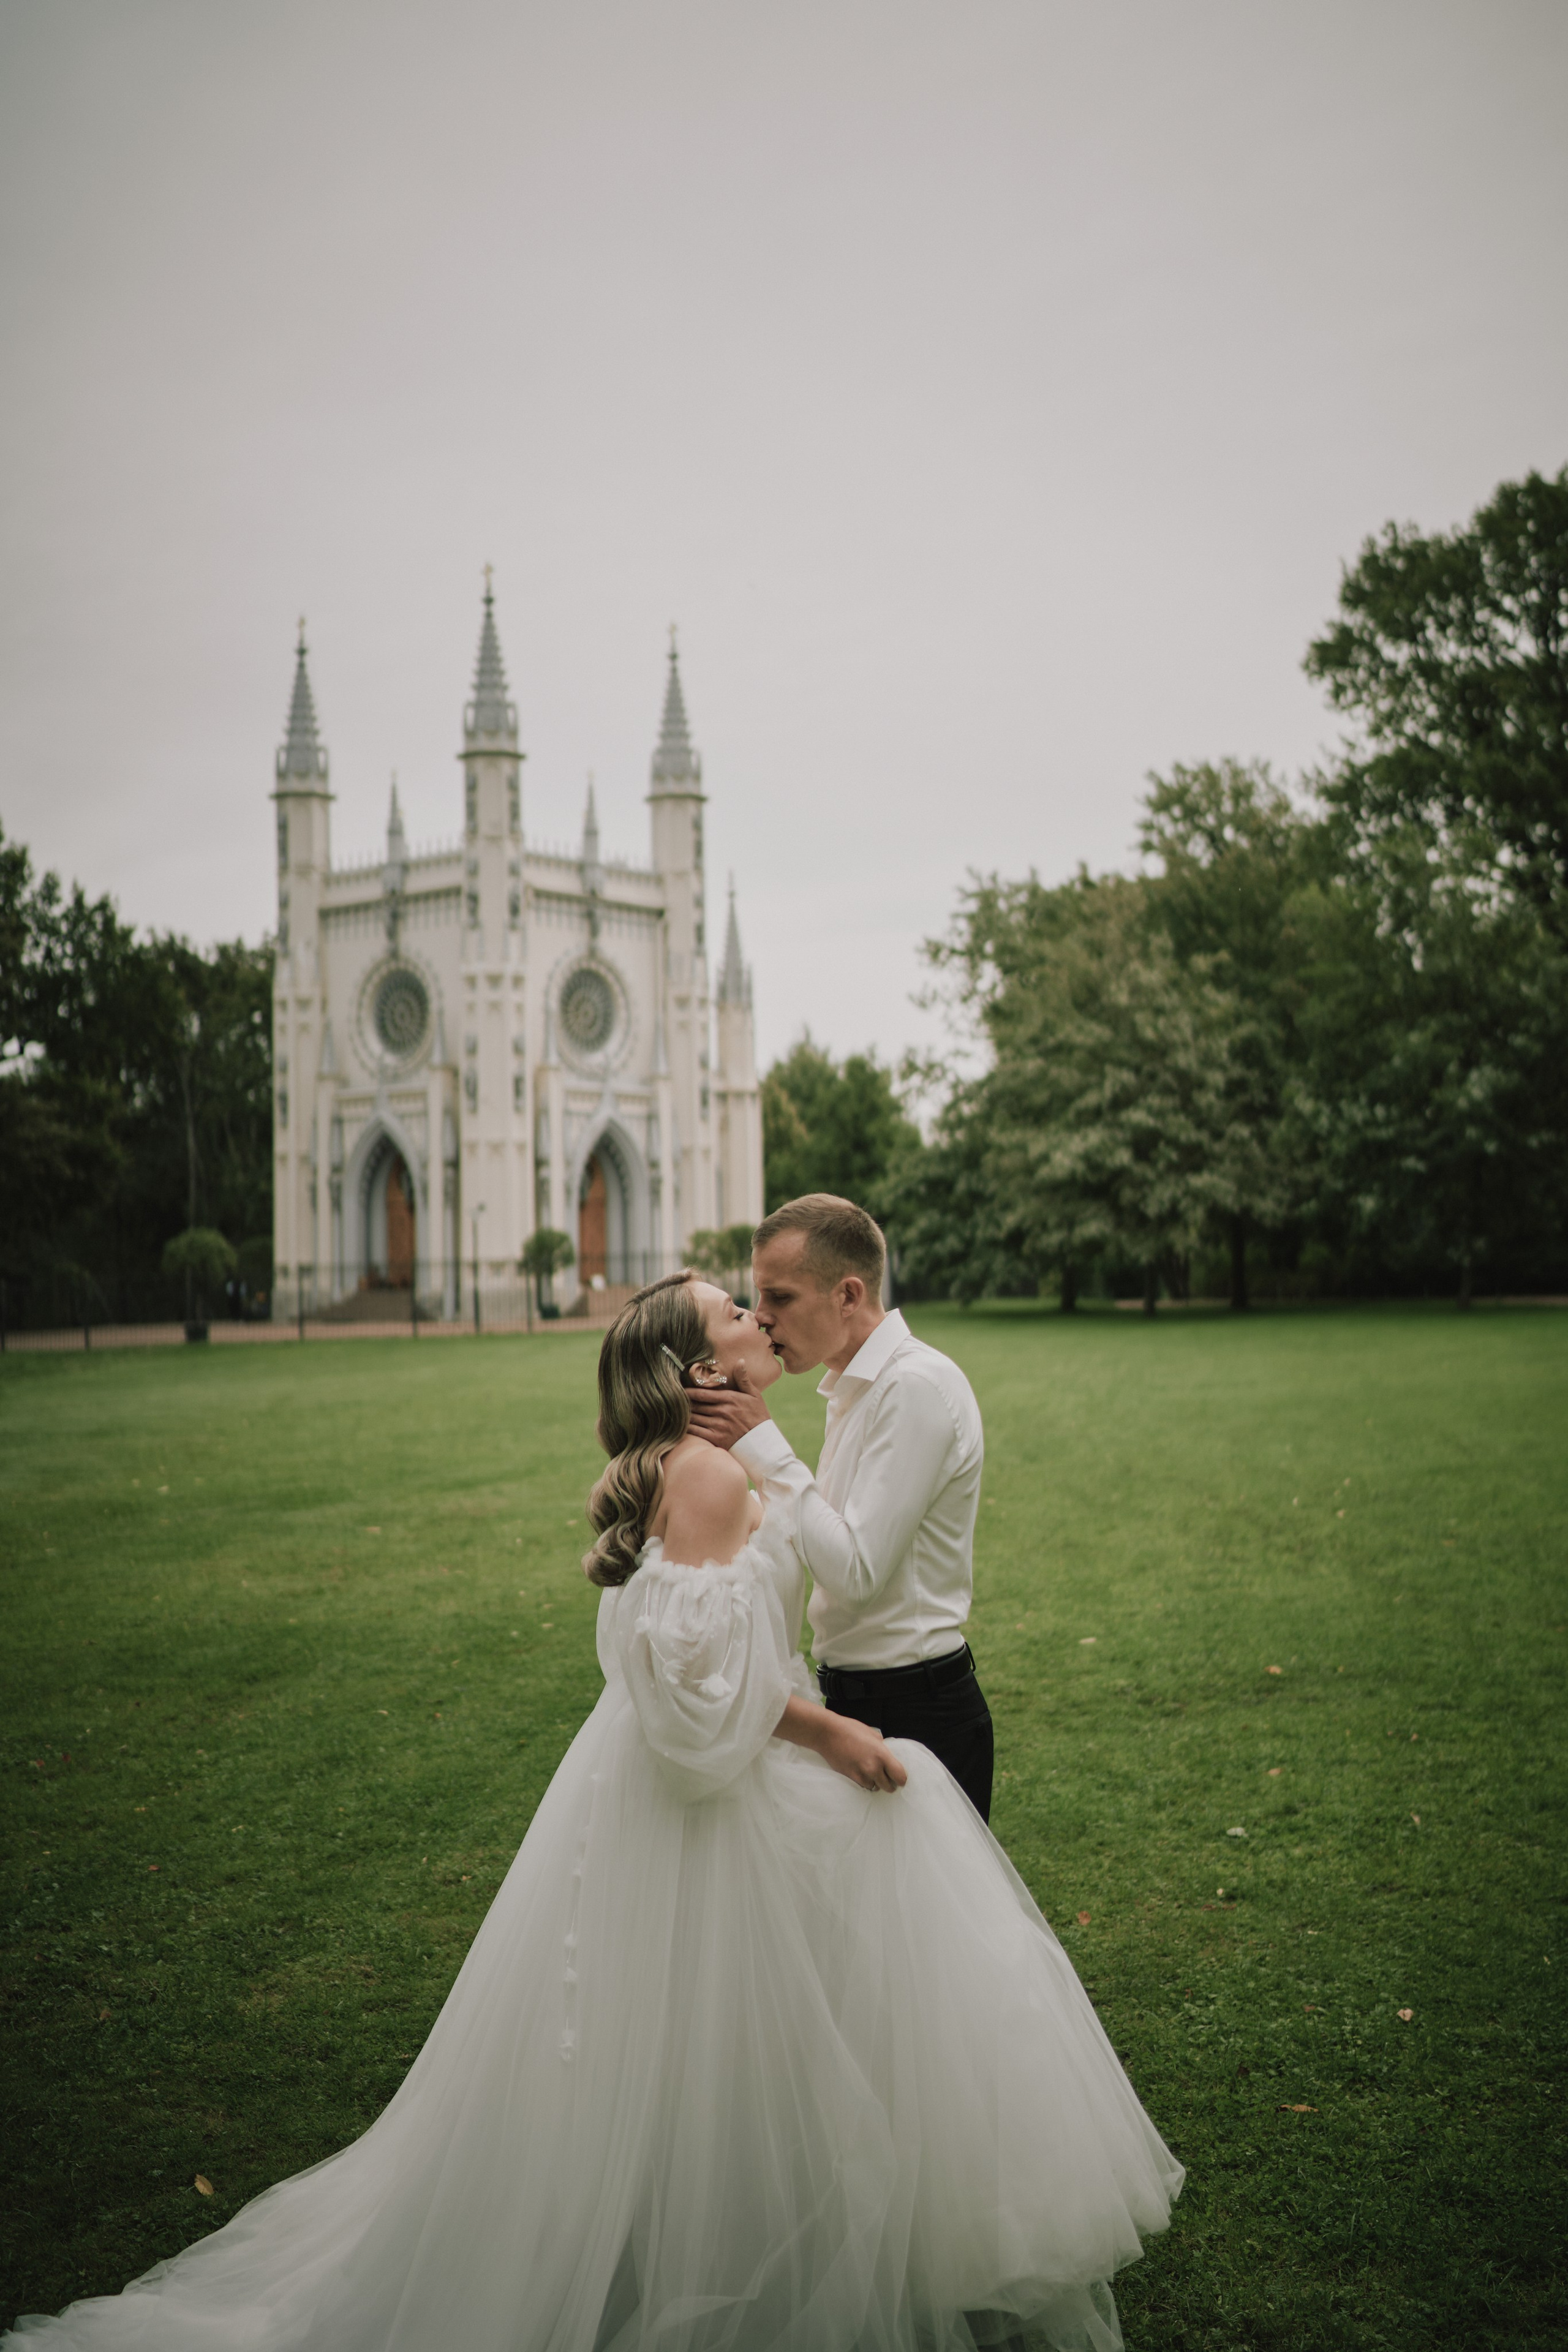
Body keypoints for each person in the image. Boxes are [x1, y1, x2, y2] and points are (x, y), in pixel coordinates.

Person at [3, 1273, 1182, 2352]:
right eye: (737, 1313)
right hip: (712, 1786)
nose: (760, 1322)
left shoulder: (709, 1463)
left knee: (733, 2020)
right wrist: (831, 1733)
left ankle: (781, 2217)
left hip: (696, 1770)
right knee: (766, 1986)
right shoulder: (711, 1475)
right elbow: (693, 1683)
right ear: (698, 1372)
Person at [689, 1193, 996, 1817]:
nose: (763, 1318)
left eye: (781, 1297)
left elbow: (855, 1574)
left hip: (918, 1709)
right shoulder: (855, 1390)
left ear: (848, 1295)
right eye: (757, 1297)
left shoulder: (913, 1388)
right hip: (858, 1702)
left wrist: (763, 1445)